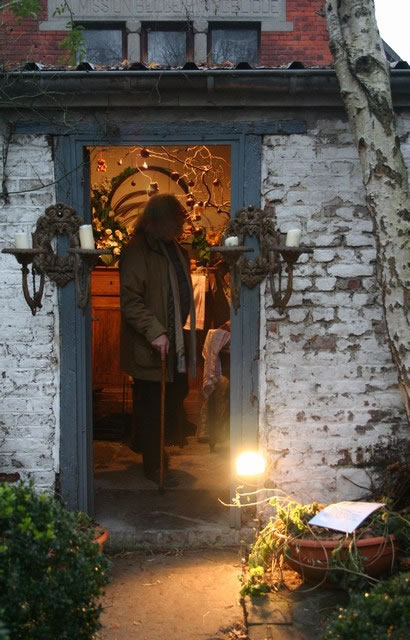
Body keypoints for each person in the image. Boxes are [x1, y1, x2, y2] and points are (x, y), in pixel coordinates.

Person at [119, 194, 196, 486]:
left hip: (173, 339)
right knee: (152, 405)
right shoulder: (138, 251)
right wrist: (155, 332)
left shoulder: (173, 249)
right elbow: (131, 301)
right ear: (158, 220)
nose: (180, 225)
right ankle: (154, 465)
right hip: (151, 343)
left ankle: (147, 445)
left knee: (176, 391)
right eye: (175, 220)